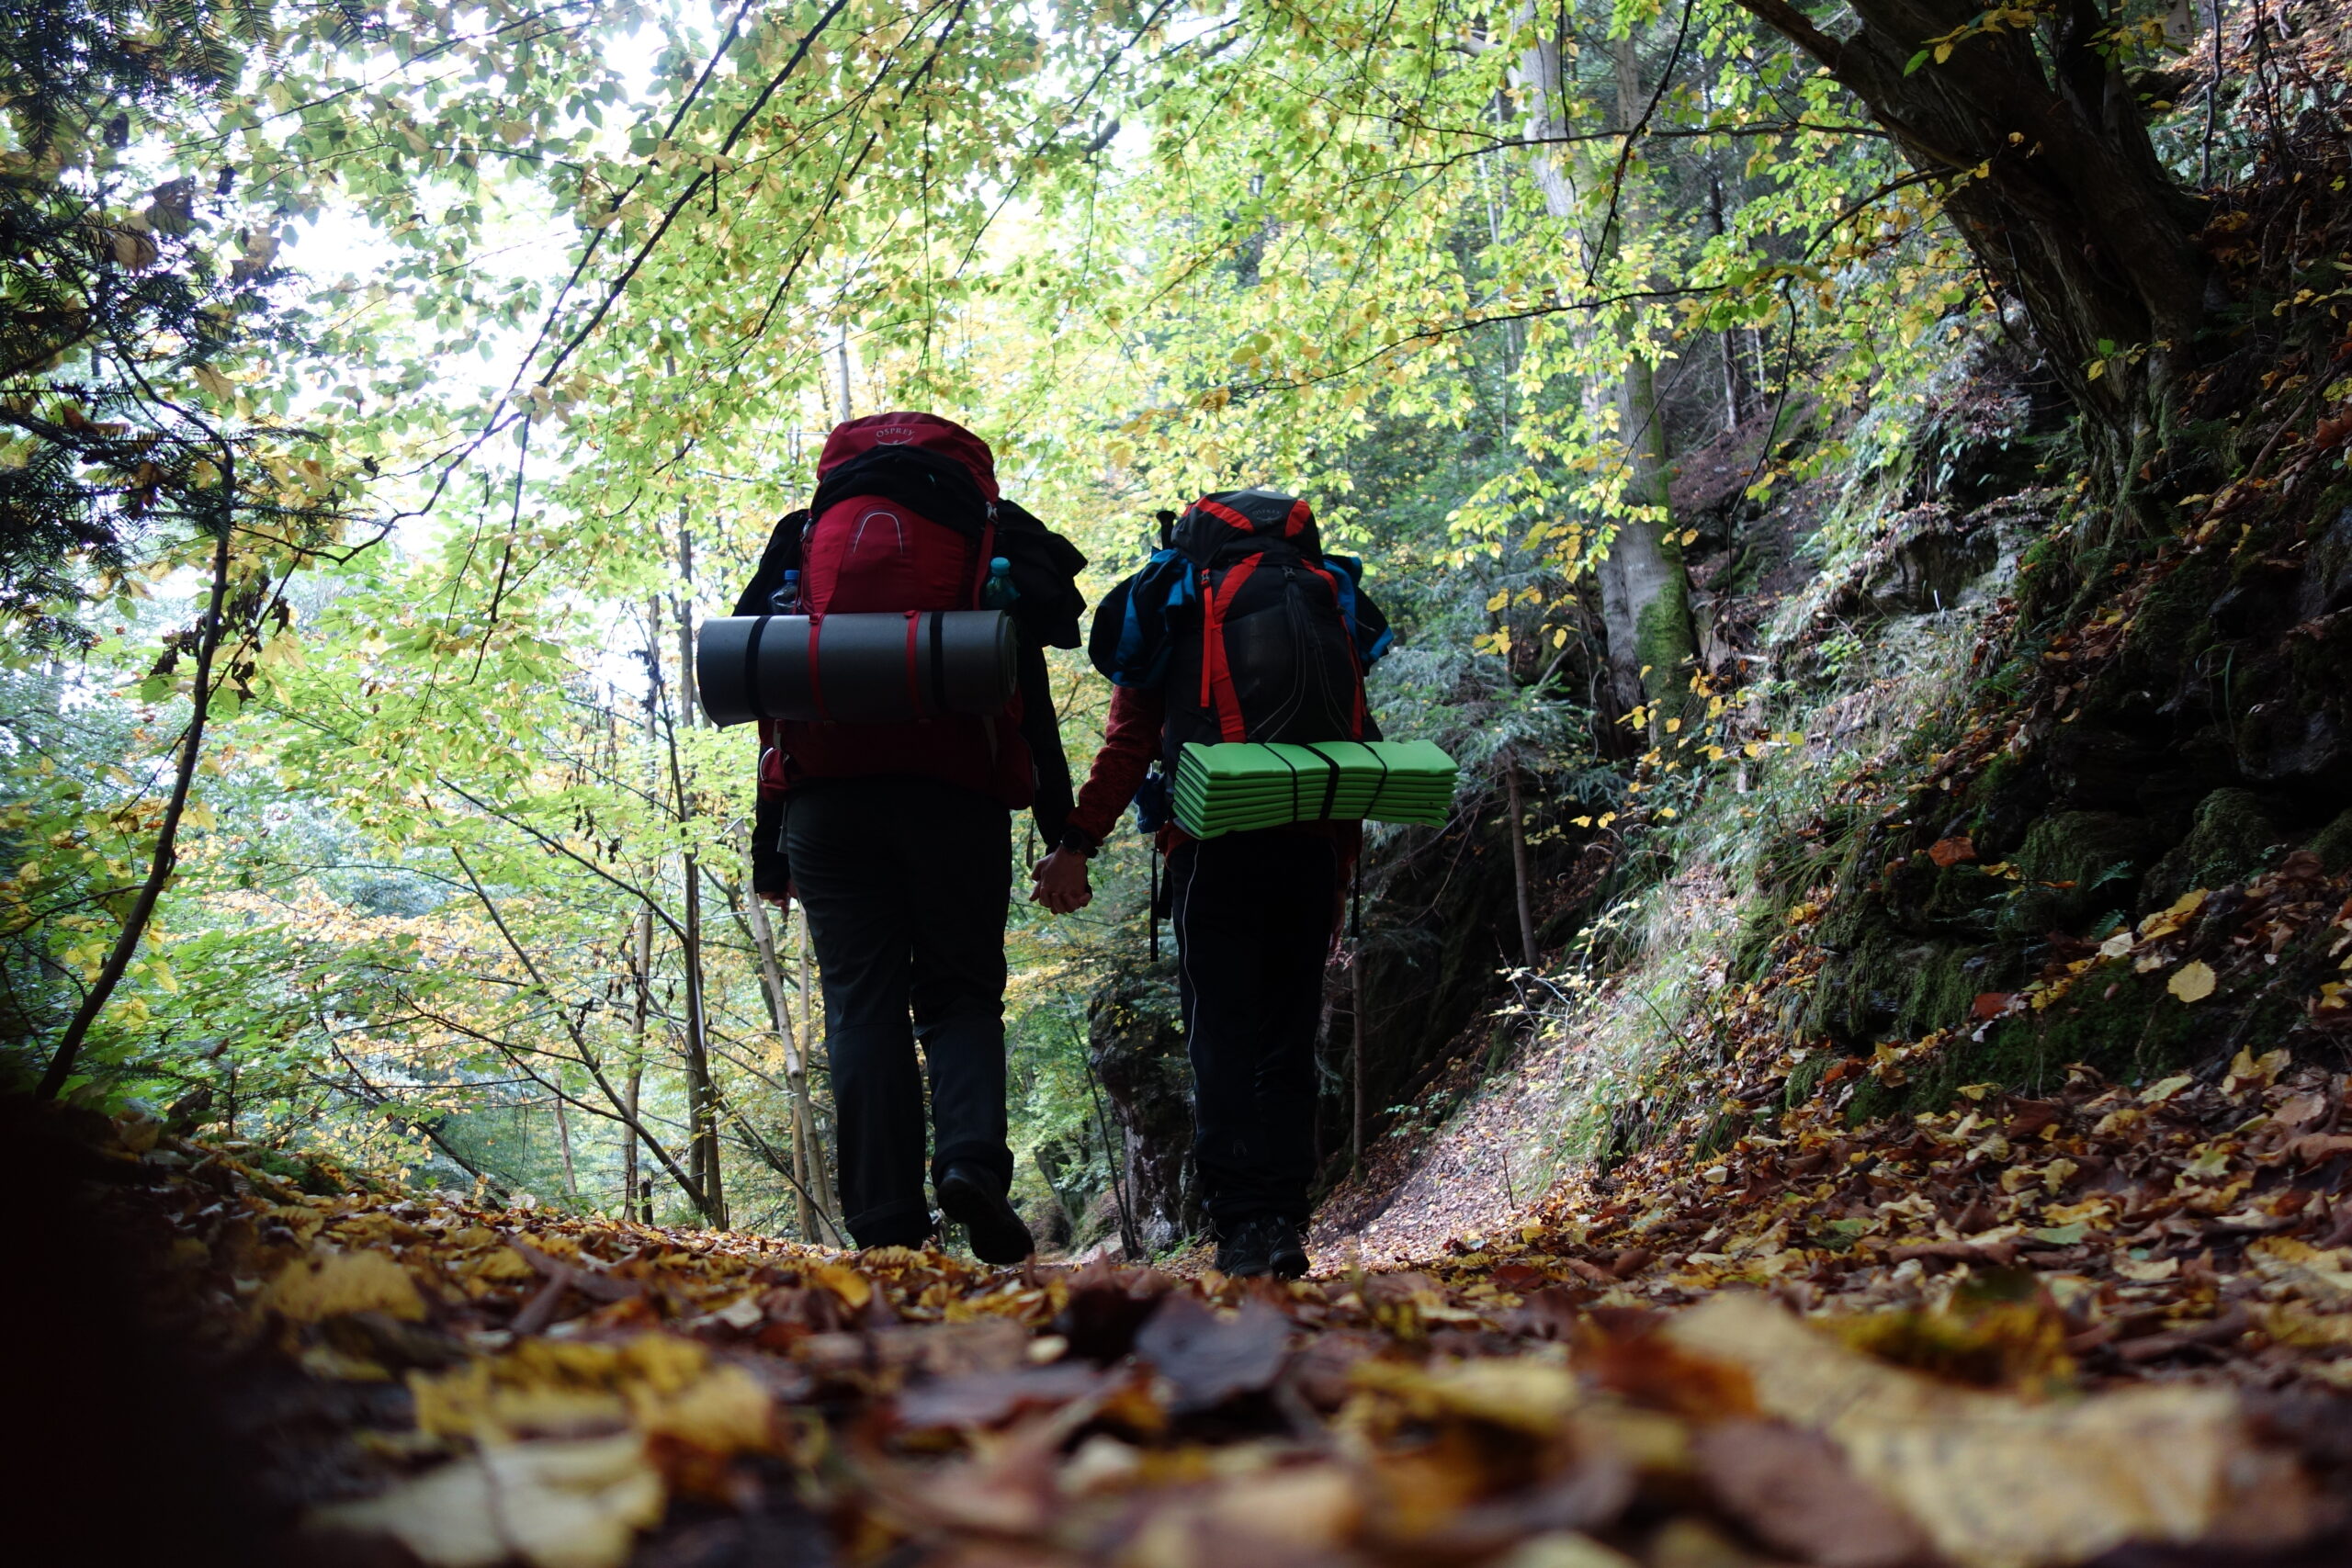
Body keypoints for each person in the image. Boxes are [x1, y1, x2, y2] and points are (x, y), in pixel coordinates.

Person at [740, 412, 1086, 1264]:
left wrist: (770, 845)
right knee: (961, 995)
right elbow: (1029, 694)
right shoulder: (990, 534)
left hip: (827, 805)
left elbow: (772, 688)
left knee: (864, 1007)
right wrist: (1062, 831)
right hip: (956, 797)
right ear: (972, 469)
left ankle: (887, 1224)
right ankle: (968, 1162)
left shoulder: (805, 533)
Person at [1032, 488, 1390, 1279]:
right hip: (1310, 840)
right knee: (1287, 1036)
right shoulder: (1320, 599)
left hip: (1213, 844)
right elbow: (1353, 736)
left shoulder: (1174, 604)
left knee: (1220, 1037)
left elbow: (1128, 744)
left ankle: (1243, 1229)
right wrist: (1341, 864)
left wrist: (1076, 841)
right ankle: (1288, 1220)